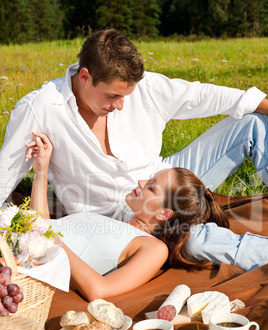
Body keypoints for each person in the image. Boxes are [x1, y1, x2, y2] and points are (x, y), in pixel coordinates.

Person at [0, 29, 268, 221]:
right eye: (113, 96)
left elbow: (202, 95)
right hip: (114, 217)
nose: (120, 106)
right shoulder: (41, 108)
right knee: (190, 237)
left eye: (126, 96)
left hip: (160, 179)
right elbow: (4, 177)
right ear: (85, 76)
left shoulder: (144, 87)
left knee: (253, 124)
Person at [29, 132, 268, 301]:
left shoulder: (153, 249)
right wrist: (41, 170)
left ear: (164, 213)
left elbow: (98, 290)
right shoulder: (116, 222)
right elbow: (43, 224)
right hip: (25, 244)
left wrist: (52, 240)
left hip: (26, 263)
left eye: (151, 186)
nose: (141, 182)